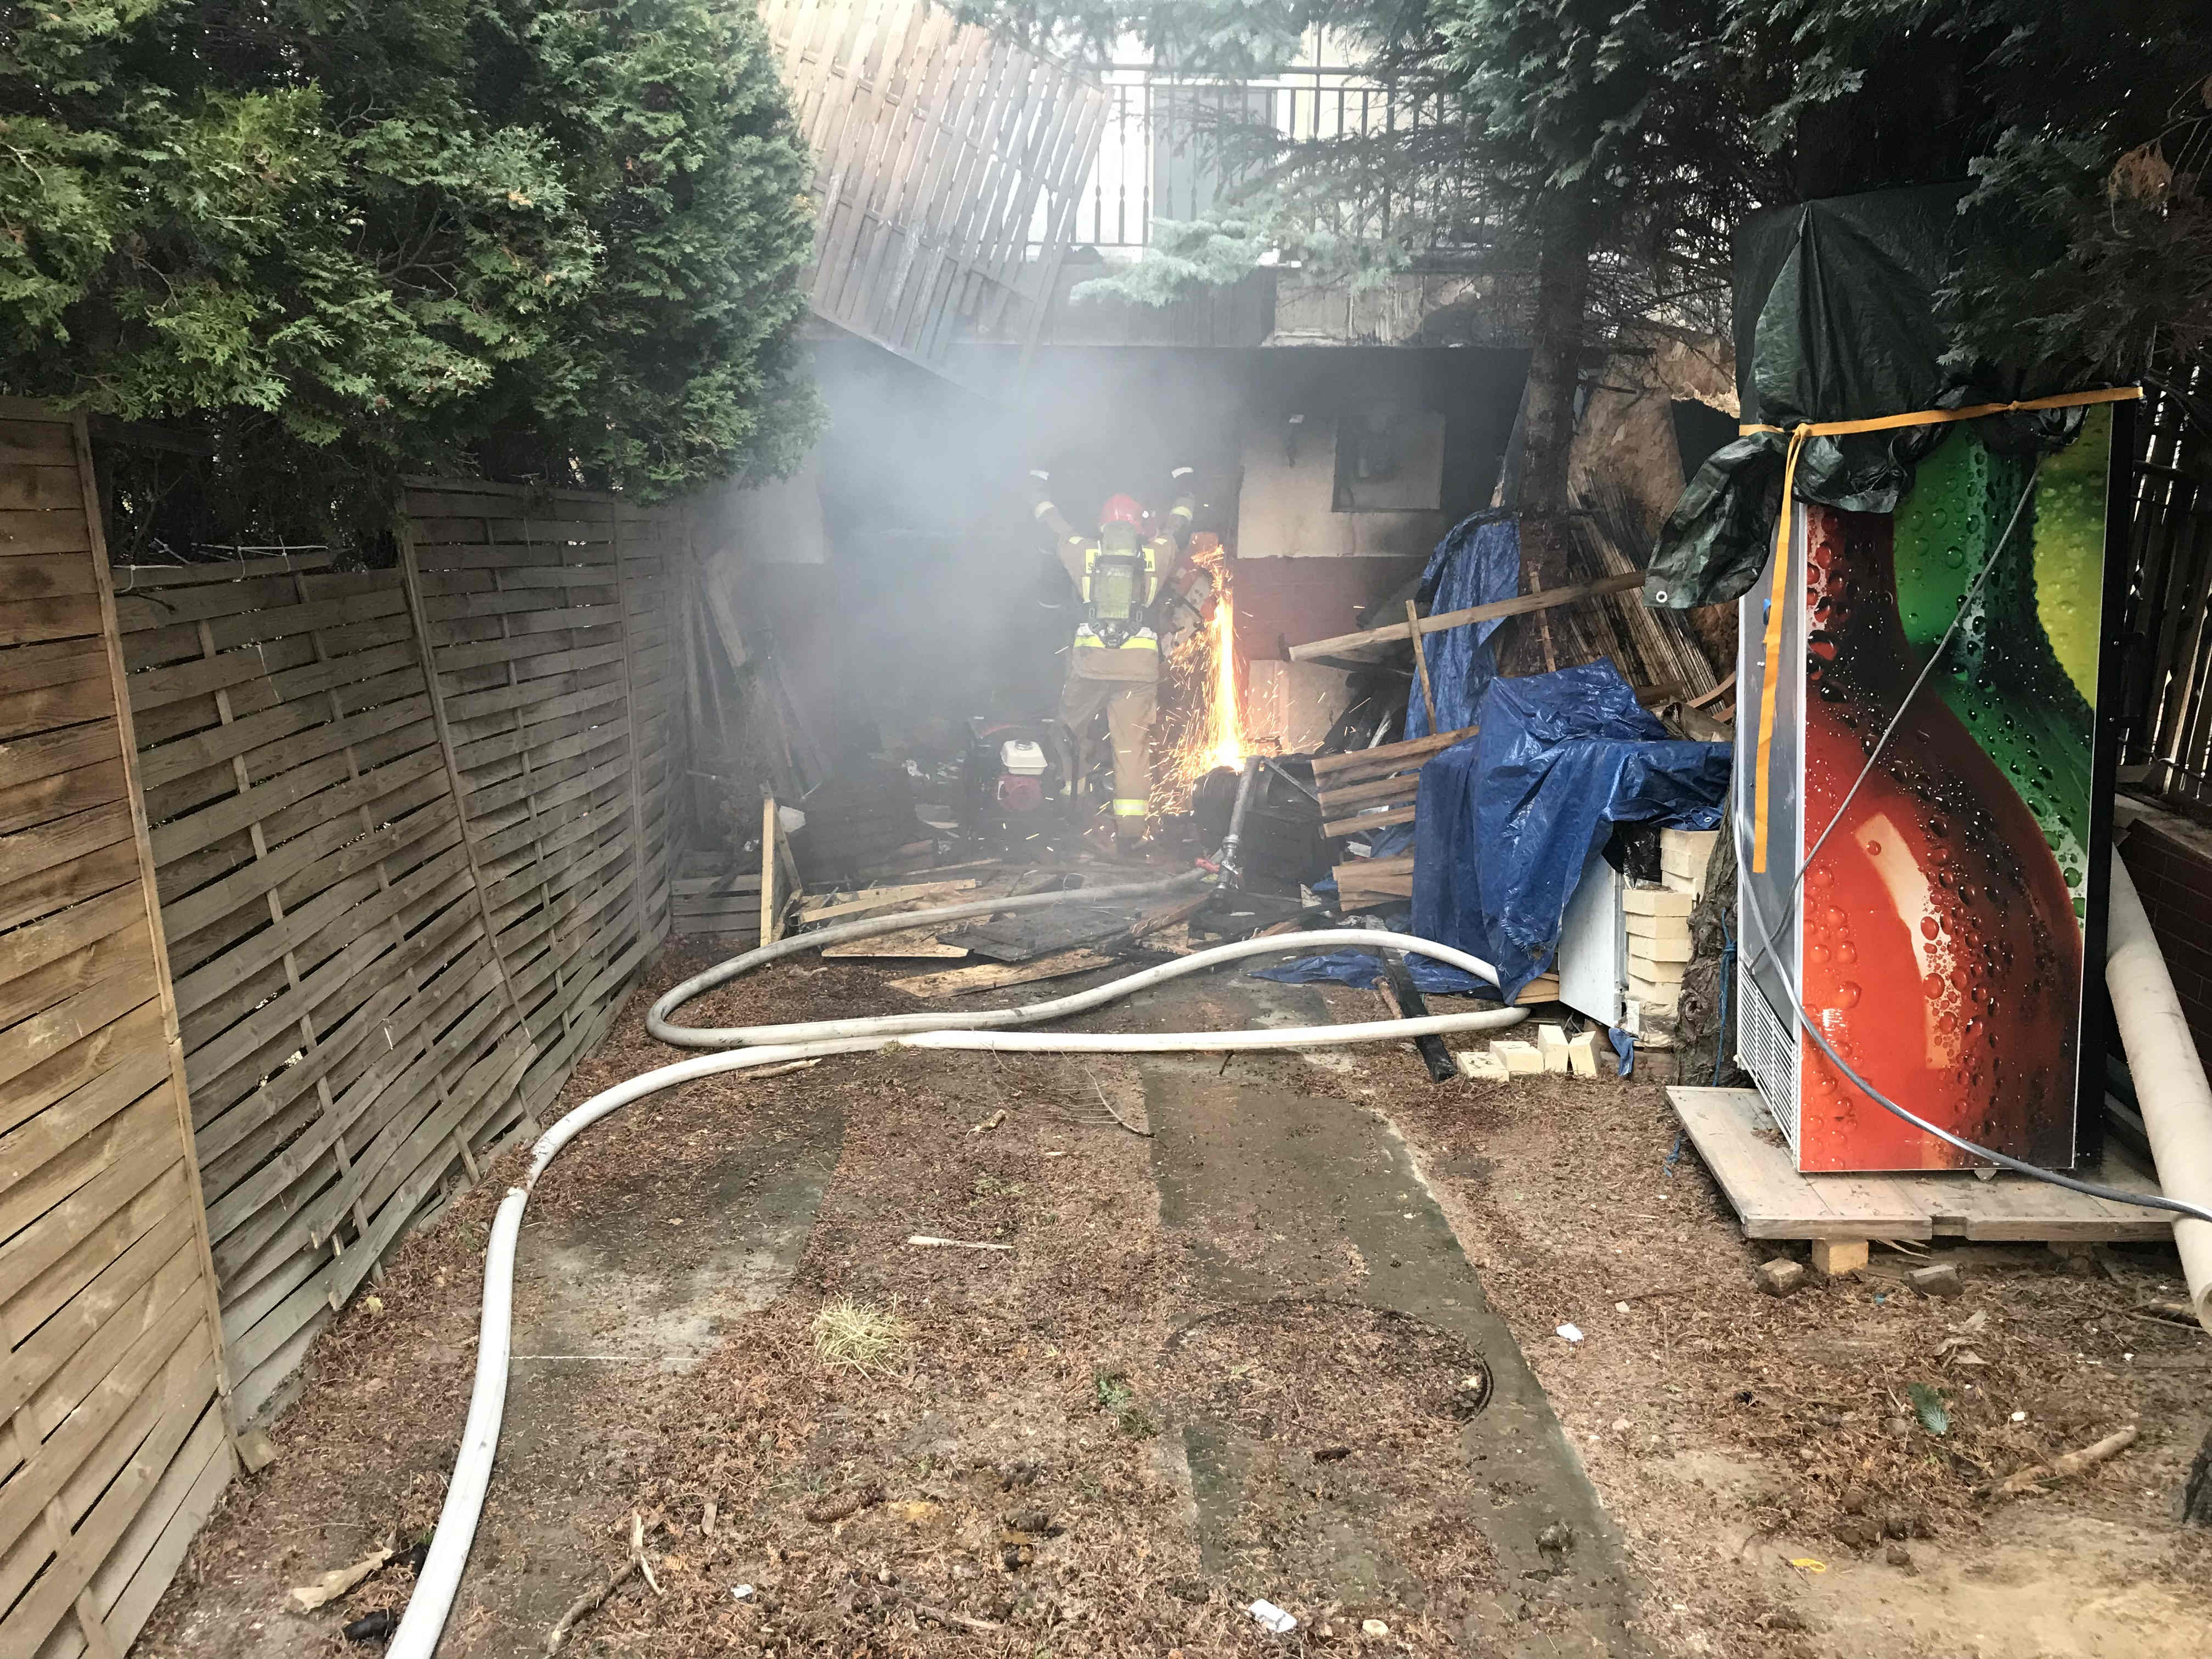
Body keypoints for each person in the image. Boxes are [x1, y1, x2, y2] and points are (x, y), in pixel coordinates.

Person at [1028, 465, 1198, 852]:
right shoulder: (1157, 552)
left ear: (1103, 526)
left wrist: (1037, 488)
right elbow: (1179, 524)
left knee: (1069, 733)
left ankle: (1075, 811)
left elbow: (1051, 523)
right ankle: (1131, 833)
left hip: (1091, 664)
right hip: (1139, 669)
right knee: (1131, 748)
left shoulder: (1083, 550)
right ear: (1139, 526)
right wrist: (1186, 487)